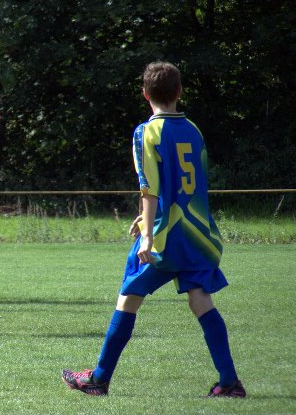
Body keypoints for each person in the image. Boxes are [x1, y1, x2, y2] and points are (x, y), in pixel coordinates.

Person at [61, 61, 245, 397]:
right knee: (200, 299)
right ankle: (229, 381)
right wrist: (145, 217)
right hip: (199, 233)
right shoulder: (193, 129)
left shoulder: (145, 132)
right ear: (179, 92)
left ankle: (98, 379)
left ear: (145, 95)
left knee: (128, 298)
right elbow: (187, 183)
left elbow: (150, 187)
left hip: (165, 235)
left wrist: (148, 231)